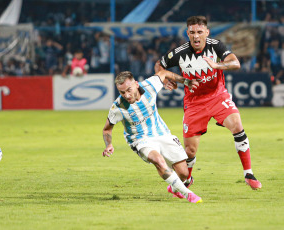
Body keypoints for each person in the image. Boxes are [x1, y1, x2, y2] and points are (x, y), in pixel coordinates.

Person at [154, 15, 262, 190]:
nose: (196, 36)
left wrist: (217, 65)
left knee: (236, 125)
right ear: (187, 33)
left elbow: (235, 63)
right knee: (190, 151)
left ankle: (248, 174)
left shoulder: (216, 46)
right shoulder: (180, 52)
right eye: (192, 33)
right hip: (194, 103)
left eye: (199, 32)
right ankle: (187, 180)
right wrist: (166, 79)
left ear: (207, 32)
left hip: (218, 96)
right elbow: (159, 65)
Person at [102, 70, 203, 203]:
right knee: (158, 160)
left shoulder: (149, 86)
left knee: (184, 174)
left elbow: (164, 73)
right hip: (140, 140)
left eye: (128, 90)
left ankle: (174, 187)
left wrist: (187, 82)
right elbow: (107, 130)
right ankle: (189, 194)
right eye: (122, 92)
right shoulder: (118, 107)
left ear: (136, 84)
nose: (126, 95)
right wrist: (108, 144)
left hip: (162, 133)